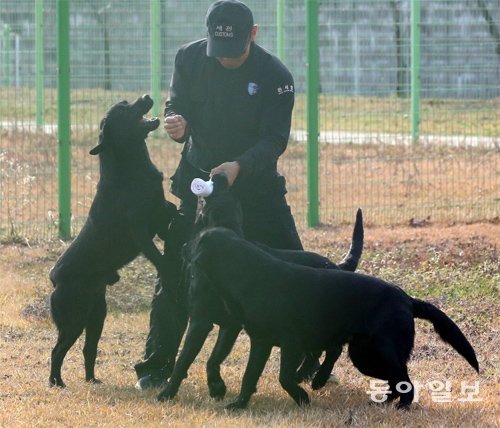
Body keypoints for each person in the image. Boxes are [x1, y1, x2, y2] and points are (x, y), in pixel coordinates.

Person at [134, 0, 303, 389]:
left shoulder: (277, 76)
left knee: (295, 269)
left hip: (256, 189)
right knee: (178, 268)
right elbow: (177, 102)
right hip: (199, 183)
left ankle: (308, 356)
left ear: (254, 35)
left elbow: (274, 139)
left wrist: (239, 167)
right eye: (218, 51)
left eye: (235, 51)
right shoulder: (189, 58)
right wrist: (177, 121)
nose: (225, 59)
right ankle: (157, 365)